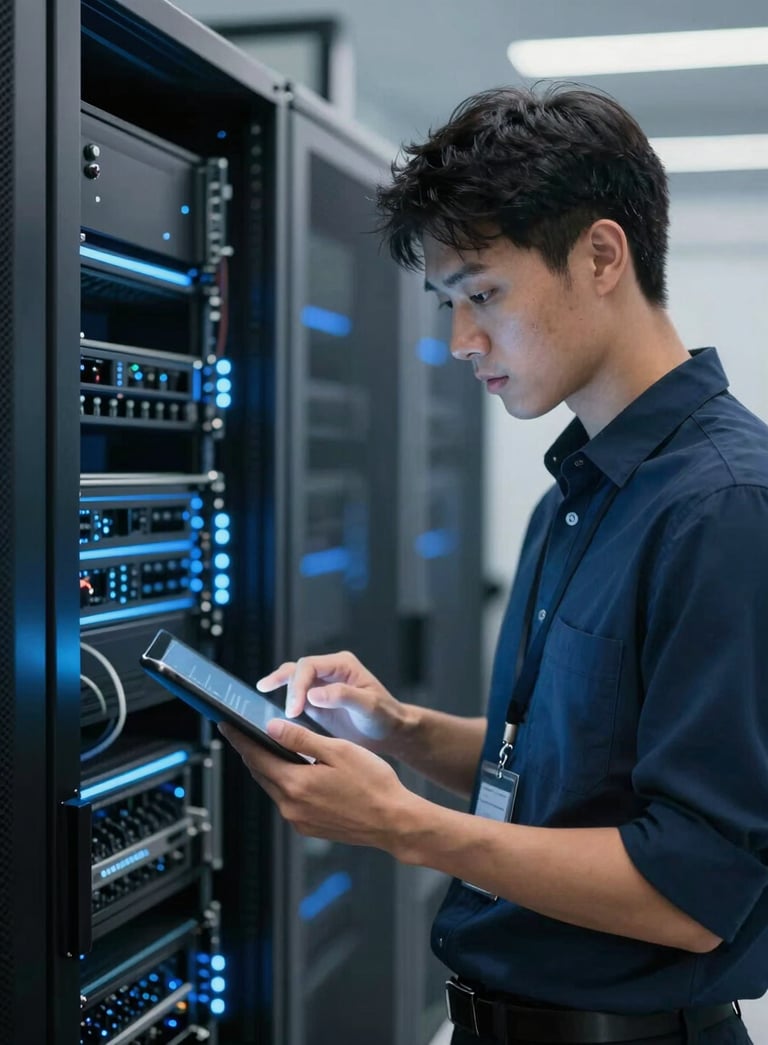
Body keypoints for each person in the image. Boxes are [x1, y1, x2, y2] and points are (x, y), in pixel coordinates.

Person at [219, 85, 768, 1045]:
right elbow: (571, 767)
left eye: (482, 294)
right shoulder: (576, 496)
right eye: (448, 304)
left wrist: (402, 823)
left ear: (602, 255)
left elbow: (694, 886)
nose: (459, 343)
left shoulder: (724, 508)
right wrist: (401, 728)